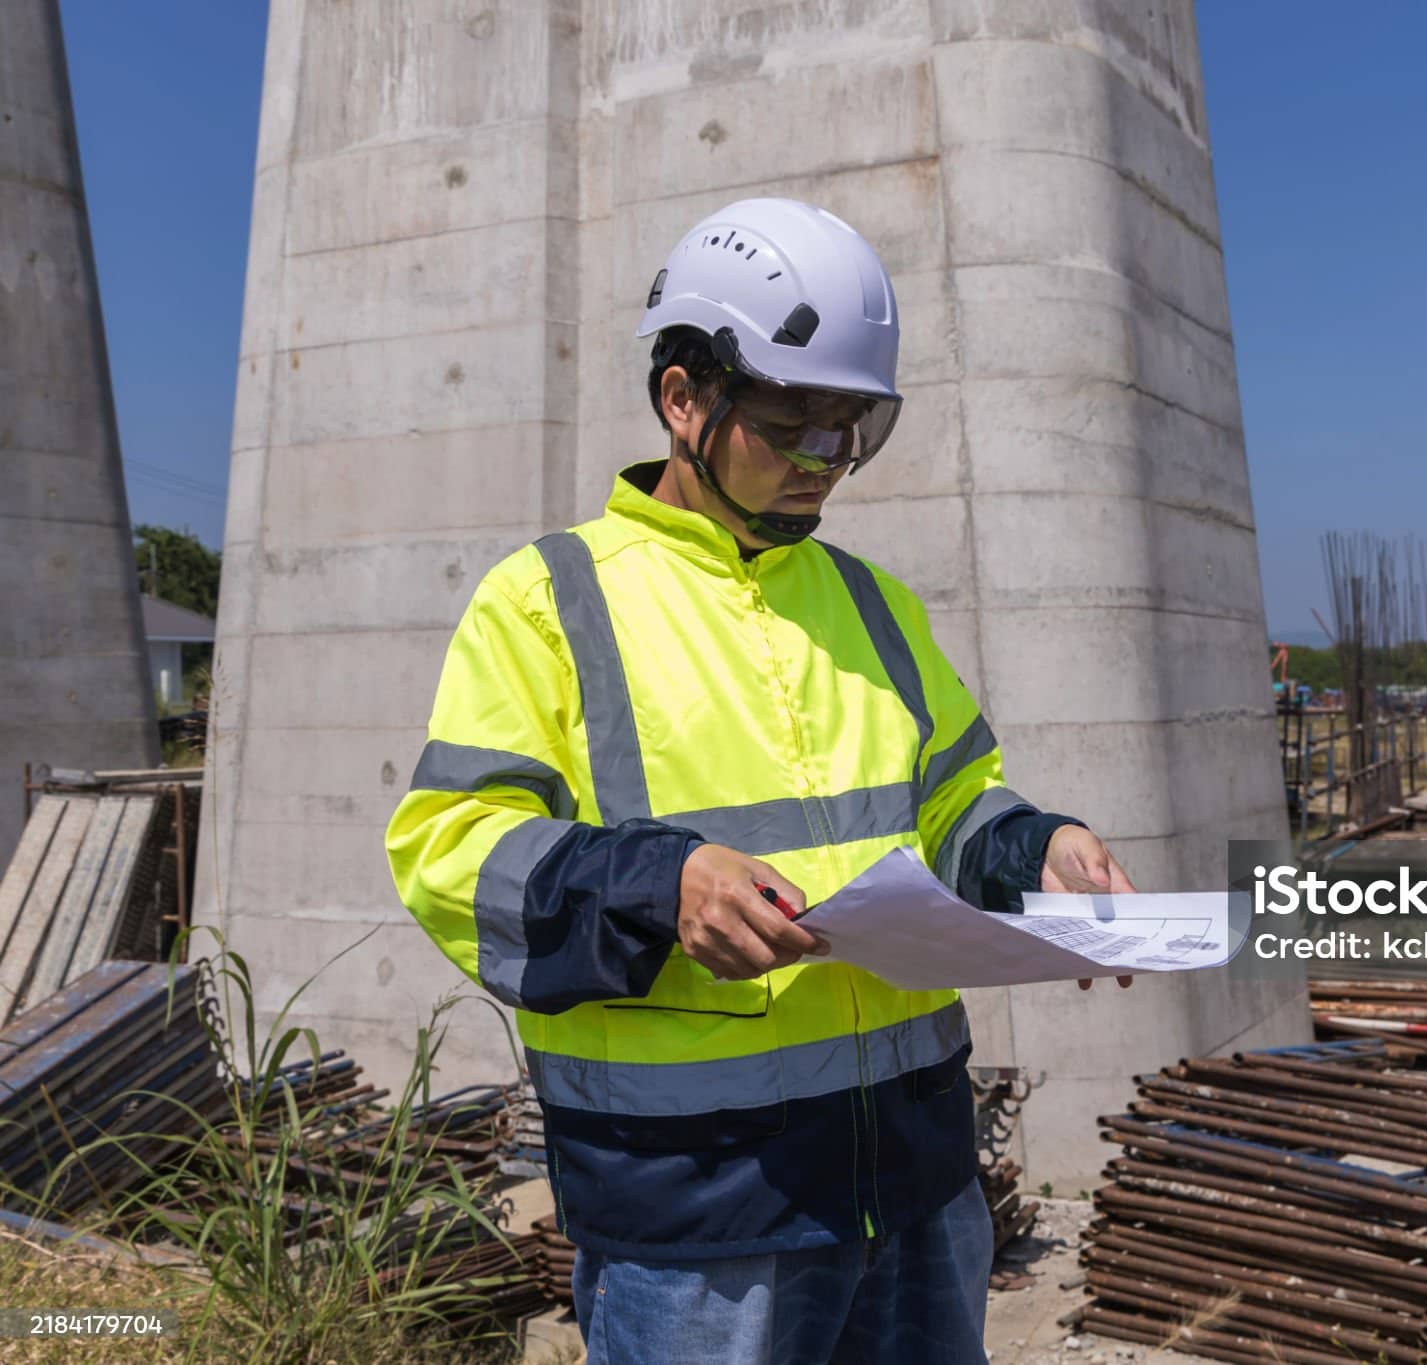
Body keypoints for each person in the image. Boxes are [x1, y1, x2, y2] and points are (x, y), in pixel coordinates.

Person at [384, 197, 1135, 1364]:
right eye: (790, 426)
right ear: (682, 398)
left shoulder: (874, 605)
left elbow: (949, 807)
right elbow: (450, 850)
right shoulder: (550, 599)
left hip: (917, 1179)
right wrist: (658, 885)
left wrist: (1033, 849)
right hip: (700, 1214)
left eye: (851, 432)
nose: (822, 466)